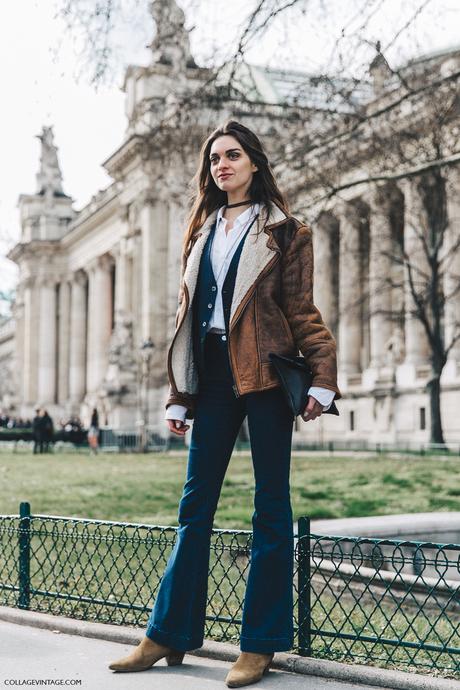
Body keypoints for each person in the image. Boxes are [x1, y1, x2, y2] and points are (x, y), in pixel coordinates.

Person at [109, 121, 341, 686]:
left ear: (255, 163)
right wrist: (180, 394)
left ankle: (258, 645)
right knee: (194, 508)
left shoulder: (287, 231)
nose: (222, 165)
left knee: (270, 509)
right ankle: (167, 633)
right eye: (215, 159)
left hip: (263, 375)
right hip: (212, 377)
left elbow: (300, 311)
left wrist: (323, 376)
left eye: (233, 156)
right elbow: (189, 318)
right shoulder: (200, 230)